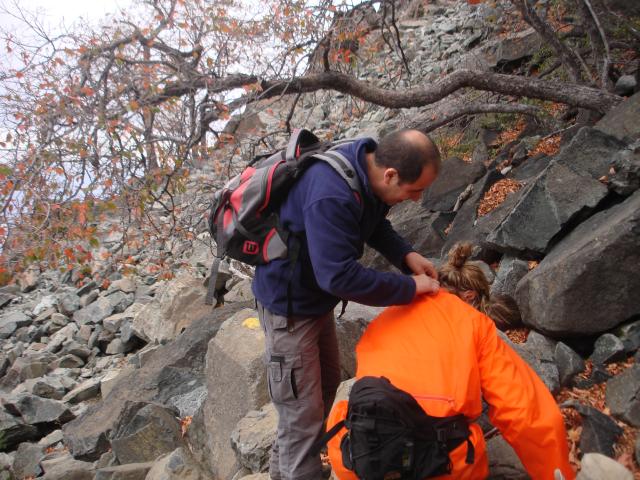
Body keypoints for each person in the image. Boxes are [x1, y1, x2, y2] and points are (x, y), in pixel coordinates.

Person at [253, 129, 442, 480]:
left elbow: (374, 223)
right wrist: (409, 287)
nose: (417, 200)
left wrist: (406, 255)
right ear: (391, 175)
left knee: (321, 395)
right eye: (415, 190)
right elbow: (338, 277)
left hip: (315, 303)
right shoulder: (330, 193)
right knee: (302, 416)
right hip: (289, 310)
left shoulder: (365, 165)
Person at [326, 243, 575, 480]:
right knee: (467, 442)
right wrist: (556, 472)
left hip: (361, 455)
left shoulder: (385, 318)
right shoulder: (473, 323)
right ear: (470, 297)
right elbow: (524, 410)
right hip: (436, 460)